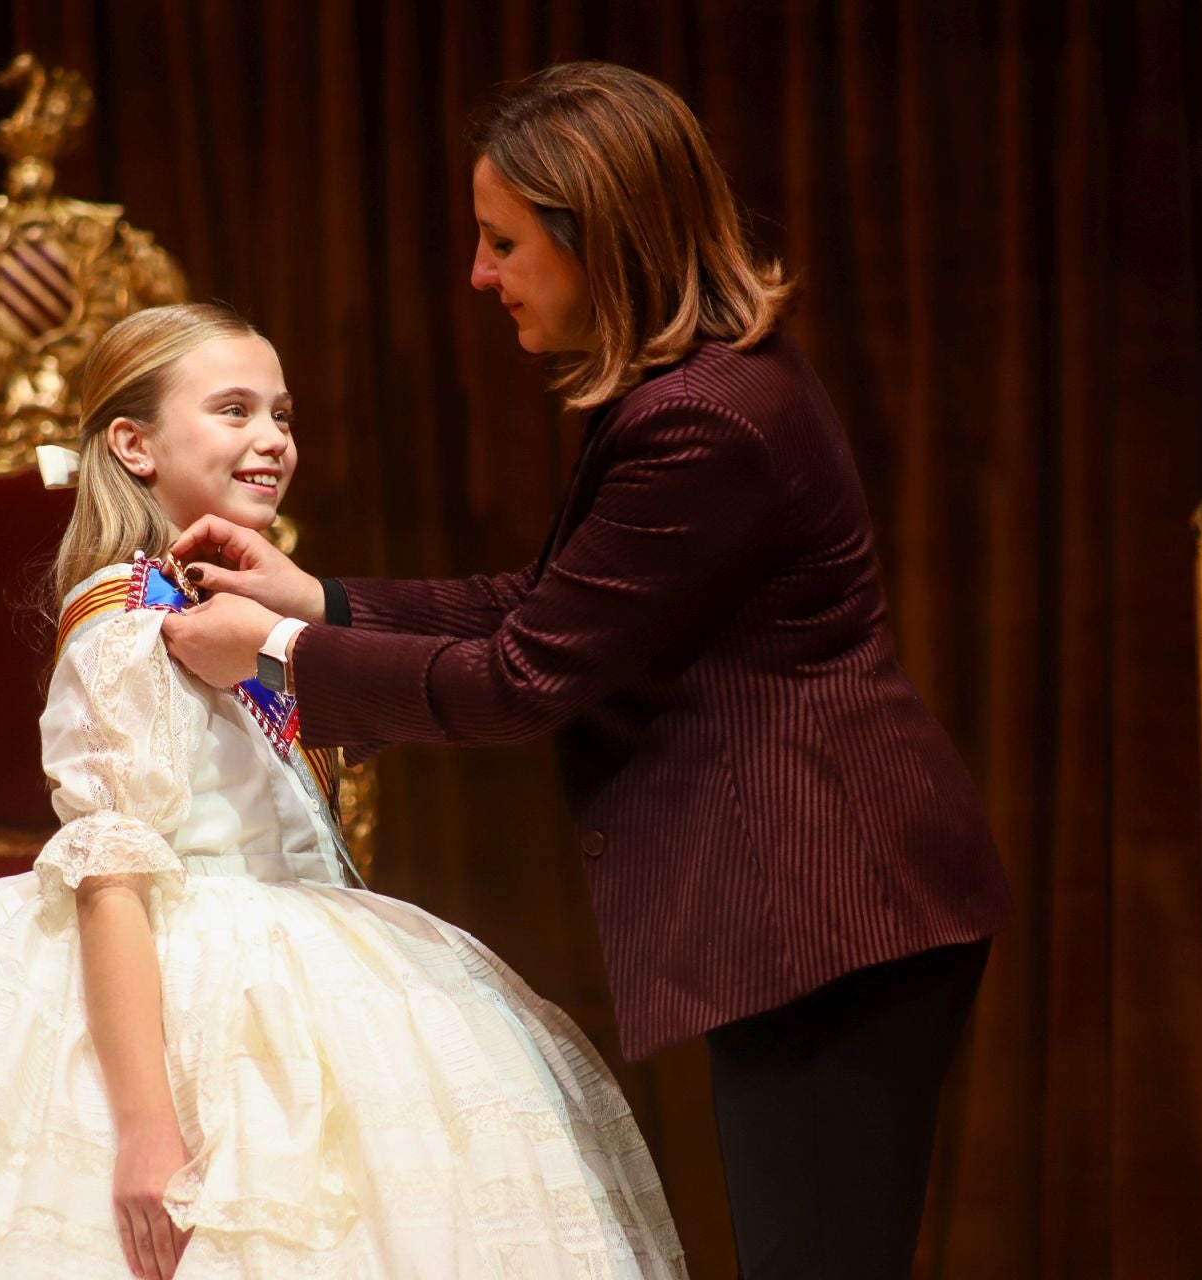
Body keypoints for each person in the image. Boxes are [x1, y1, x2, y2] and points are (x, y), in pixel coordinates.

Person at [161, 64, 1015, 1279]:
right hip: (816, 905)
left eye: (503, 240)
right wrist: (320, 597)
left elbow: (521, 676)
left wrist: (283, 653)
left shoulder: (703, 420)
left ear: (598, 237)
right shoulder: (693, 388)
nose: (479, 273)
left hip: (834, 905)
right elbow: (546, 601)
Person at [0, 302, 687, 1279]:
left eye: (284, 414)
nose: (272, 439)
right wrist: (143, 1129)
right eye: (235, 410)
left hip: (308, 957)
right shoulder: (130, 630)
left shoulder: (230, 612)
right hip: (169, 982)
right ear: (133, 443)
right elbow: (113, 880)